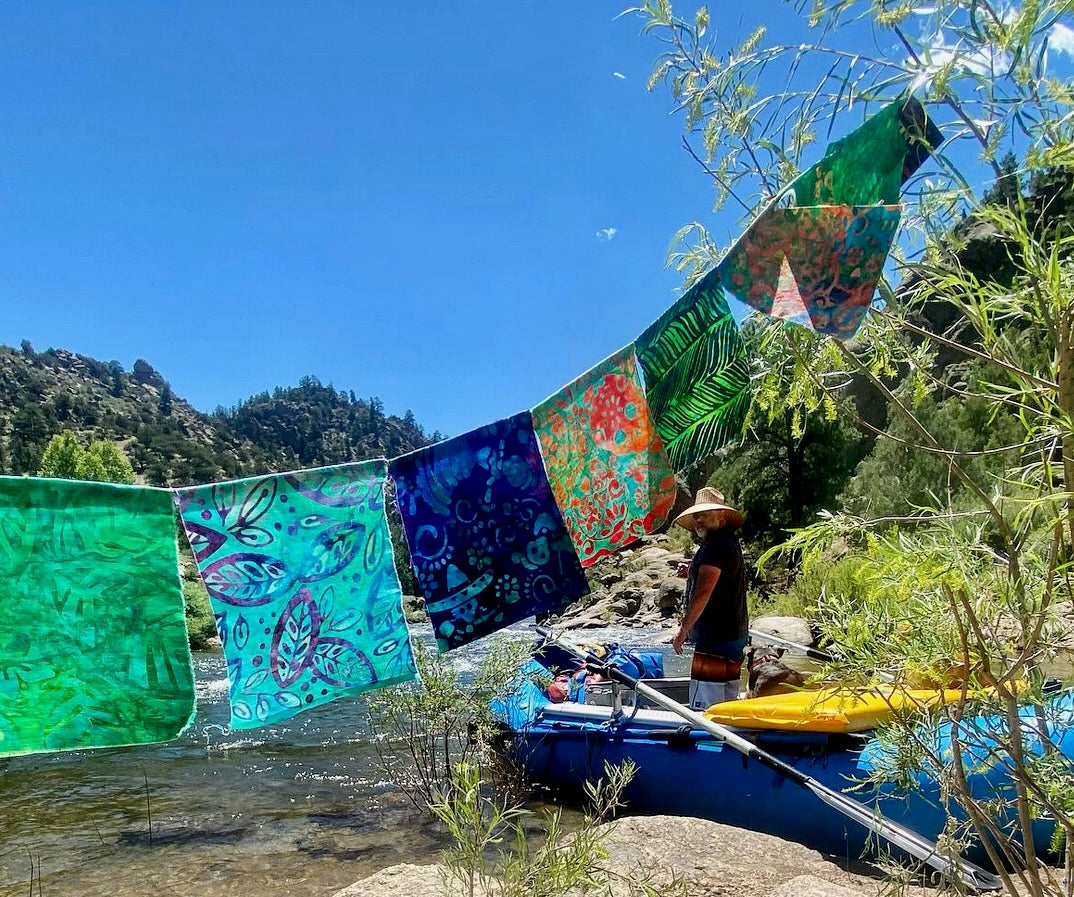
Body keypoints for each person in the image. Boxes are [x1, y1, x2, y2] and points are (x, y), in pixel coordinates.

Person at [670, 487, 748, 709]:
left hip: (715, 638)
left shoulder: (714, 547)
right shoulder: (729, 543)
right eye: (696, 516)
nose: (699, 520)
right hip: (734, 634)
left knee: (706, 707)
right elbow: (719, 578)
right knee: (728, 702)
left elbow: (704, 591)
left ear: (721, 516)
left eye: (705, 514)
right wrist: (693, 569)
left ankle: (708, 742)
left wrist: (684, 629)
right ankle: (730, 741)